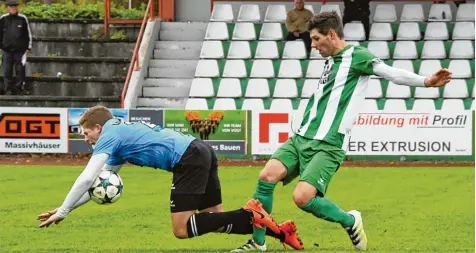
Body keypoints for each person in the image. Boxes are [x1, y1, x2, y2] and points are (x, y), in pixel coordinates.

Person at [232, 11, 452, 252]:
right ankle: (258, 242)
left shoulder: (357, 56)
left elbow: (389, 72)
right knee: (266, 177)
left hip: (329, 143)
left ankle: (350, 221)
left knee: (302, 198)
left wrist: (426, 82)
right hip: (302, 136)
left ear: (332, 34)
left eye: (316, 39)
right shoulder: (330, 60)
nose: (313, 45)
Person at [36, 106, 303, 251]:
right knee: (214, 220)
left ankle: (250, 213)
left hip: (187, 159)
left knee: (181, 229)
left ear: (98, 127)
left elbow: (86, 178)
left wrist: (63, 208)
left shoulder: (109, 134)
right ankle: (281, 232)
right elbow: (95, 187)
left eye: (86, 133)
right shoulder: (119, 135)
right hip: (200, 151)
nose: (85, 139)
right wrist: (66, 211)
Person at [0, 0, 32, 95]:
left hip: (20, 51)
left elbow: (28, 33)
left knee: (20, 70)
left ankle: (19, 88)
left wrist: (28, 47)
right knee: (7, 71)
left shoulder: (23, 18)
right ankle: (8, 89)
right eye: (11, 7)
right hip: (6, 51)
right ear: (8, 8)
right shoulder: (3, 19)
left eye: (15, 7)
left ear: (17, 8)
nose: (13, 8)